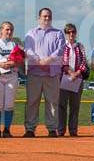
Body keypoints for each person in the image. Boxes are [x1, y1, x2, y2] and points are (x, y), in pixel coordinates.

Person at [22, 8, 65, 137]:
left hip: (52, 73)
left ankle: (52, 129)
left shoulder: (58, 33)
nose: (47, 18)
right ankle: (30, 129)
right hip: (35, 72)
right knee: (32, 101)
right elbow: (28, 50)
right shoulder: (31, 33)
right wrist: (39, 61)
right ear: (39, 17)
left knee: (52, 101)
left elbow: (61, 49)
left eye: (49, 16)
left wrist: (48, 60)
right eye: (44, 16)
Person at [58, 23, 88, 137]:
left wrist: (77, 73)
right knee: (62, 106)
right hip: (63, 79)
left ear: (76, 33)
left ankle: (73, 130)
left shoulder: (80, 46)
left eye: (73, 32)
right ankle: (61, 130)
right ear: (65, 34)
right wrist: (70, 72)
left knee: (75, 106)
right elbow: (61, 61)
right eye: (68, 32)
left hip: (77, 79)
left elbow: (84, 61)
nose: (71, 34)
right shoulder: (61, 46)